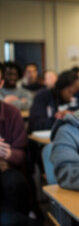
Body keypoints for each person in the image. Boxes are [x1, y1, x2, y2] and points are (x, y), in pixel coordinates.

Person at [0, 63, 40, 226]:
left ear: (1, 84)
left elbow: (20, 155)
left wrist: (7, 154)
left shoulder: (11, 112)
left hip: (7, 174)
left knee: (15, 183)